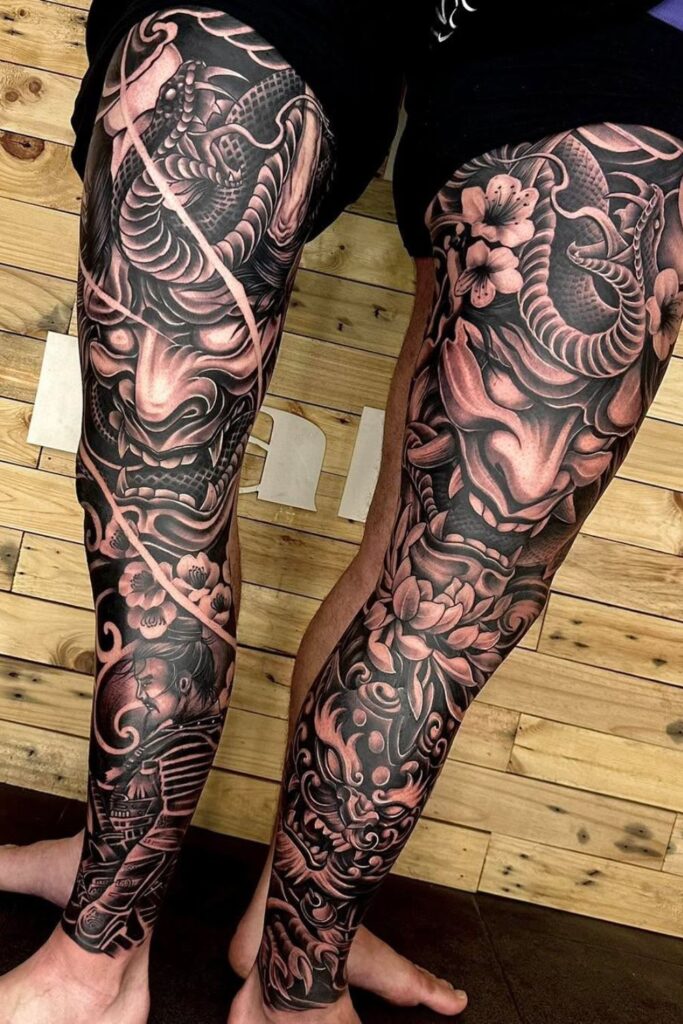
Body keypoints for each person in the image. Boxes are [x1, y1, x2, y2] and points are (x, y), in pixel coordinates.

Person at [0, 2, 682, 1022]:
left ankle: (295, 946)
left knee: (445, 586)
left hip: (605, 42)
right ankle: (109, 926)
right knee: (168, 506)